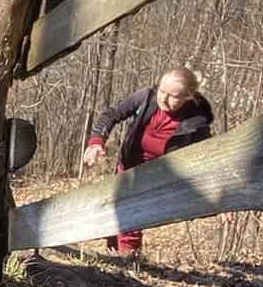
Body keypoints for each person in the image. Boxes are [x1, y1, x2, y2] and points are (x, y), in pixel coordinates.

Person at [82, 66, 214, 258]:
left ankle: (129, 260)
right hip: (128, 166)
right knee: (114, 213)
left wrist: (219, 193)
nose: (164, 99)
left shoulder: (196, 123)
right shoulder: (145, 98)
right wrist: (96, 142)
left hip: (156, 177)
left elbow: (206, 159)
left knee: (130, 216)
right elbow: (112, 114)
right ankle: (113, 258)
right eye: (162, 91)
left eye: (173, 96)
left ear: (188, 96)